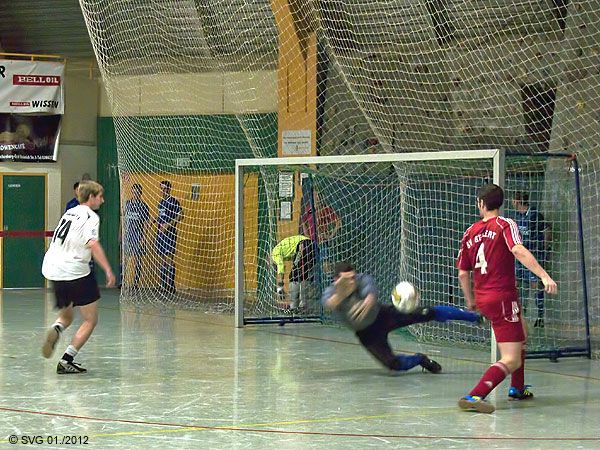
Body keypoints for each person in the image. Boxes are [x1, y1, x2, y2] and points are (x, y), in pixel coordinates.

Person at [456, 184, 557, 413]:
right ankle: (475, 395)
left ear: (481, 203)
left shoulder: (470, 232)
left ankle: (517, 388)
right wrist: (544, 276)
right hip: (502, 298)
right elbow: (518, 250)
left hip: (483, 297)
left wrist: (470, 300)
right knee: (511, 359)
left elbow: (463, 273)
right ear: (500, 203)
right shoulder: (505, 224)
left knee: (522, 331)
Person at [322, 261, 484, 374]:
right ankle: (420, 359)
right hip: (367, 334)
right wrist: (340, 294)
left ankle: (476, 318)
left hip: (384, 316)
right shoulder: (330, 292)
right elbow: (329, 302)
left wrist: (366, 302)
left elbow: (370, 294)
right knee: (393, 365)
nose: (352, 281)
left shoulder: (362, 279)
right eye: (347, 279)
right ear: (336, 280)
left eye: (353, 277)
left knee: (429, 313)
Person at [41, 180, 116, 374]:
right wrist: (108, 269)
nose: (102, 200)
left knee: (66, 316)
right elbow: (93, 243)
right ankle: (66, 360)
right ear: (91, 197)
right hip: (75, 270)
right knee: (90, 320)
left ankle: (57, 328)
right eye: (100, 196)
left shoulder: (69, 213)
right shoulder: (91, 216)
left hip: (54, 268)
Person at [512, 190, 551, 328]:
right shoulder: (517, 216)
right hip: (520, 256)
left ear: (517, 201)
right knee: (515, 283)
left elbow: (547, 229)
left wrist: (544, 248)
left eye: (513, 200)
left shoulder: (534, 215)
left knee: (535, 284)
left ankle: (540, 316)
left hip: (533, 255)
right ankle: (517, 313)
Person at [300, 191, 341, 274]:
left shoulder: (326, 209)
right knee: (308, 263)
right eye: (315, 196)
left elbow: (339, 222)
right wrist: (306, 234)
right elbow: (304, 221)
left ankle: (329, 279)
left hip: (322, 241)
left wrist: (330, 235)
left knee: (325, 262)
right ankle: (309, 280)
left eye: (319, 196)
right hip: (311, 241)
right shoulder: (309, 209)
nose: (317, 198)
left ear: (322, 198)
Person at [271, 234, 315, 310]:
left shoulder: (274, 254)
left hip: (303, 245)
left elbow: (281, 267)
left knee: (293, 276)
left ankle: (295, 306)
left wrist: (280, 286)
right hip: (311, 245)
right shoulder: (285, 251)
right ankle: (303, 304)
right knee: (303, 274)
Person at [156, 180, 183, 293]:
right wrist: (155, 220)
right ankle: (163, 285)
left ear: (169, 189)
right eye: (161, 189)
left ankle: (171, 286)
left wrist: (168, 224)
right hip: (160, 234)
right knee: (161, 259)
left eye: (165, 189)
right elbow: (162, 216)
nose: (163, 191)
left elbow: (180, 215)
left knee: (169, 259)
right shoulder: (161, 202)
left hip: (170, 234)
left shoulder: (173, 201)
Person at [122, 183, 150, 290]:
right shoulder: (127, 204)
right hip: (128, 234)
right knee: (125, 258)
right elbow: (123, 218)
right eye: (133, 191)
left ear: (140, 193)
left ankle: (135, 283)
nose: (135, 193)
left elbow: (146, 223)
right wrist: (121, 233)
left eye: (137, 192)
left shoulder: (143, 206)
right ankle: (123, 281)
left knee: (137, 259)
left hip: (138, 235)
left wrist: (144, 238)